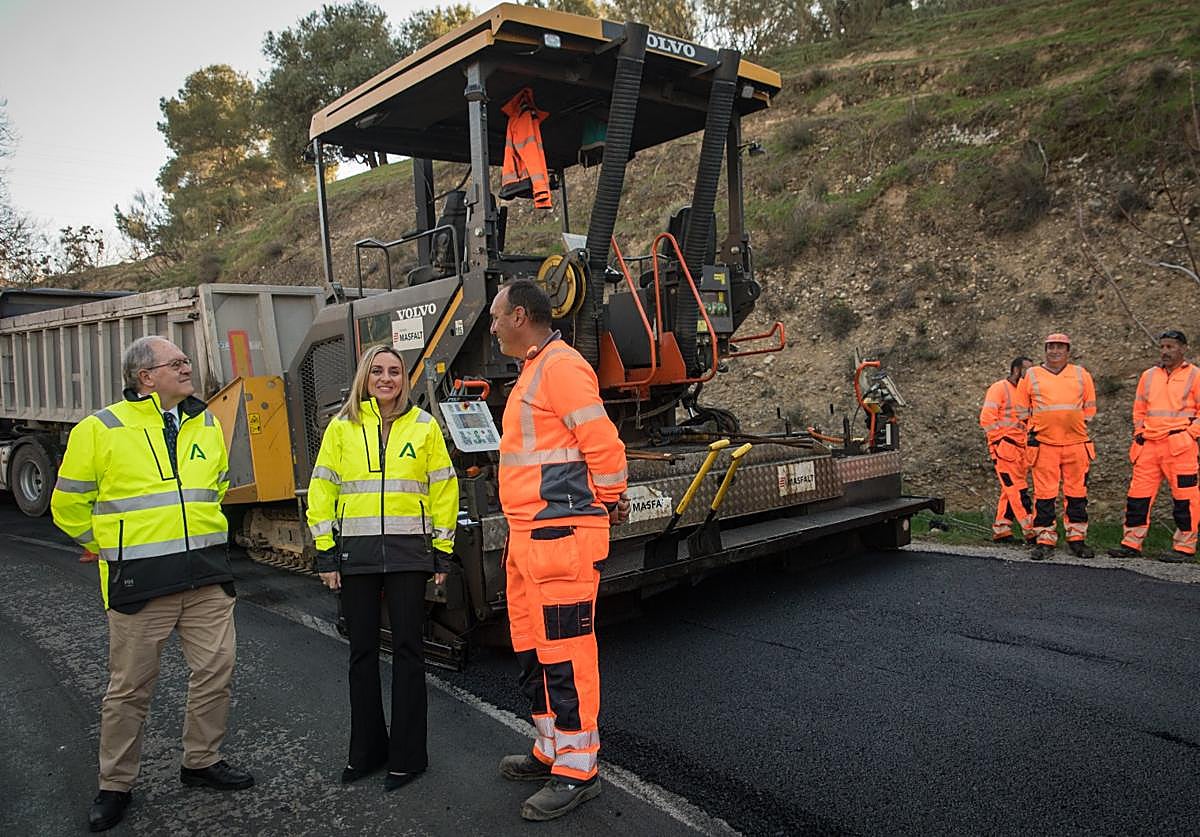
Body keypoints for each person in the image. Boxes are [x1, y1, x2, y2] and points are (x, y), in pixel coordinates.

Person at [50, 336, 253, 833]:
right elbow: (67, 505)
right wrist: (110, 548)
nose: (187, 368)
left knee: (216, 671)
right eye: (177, 362)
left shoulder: (205, 421)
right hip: (139, 584)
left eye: (186, 361)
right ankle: (115, 784)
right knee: (129, 689)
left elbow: (217, 486)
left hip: (206, 578)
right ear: (146, 377)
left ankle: (201, 760)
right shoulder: (100, 429)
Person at [489, 279, 629, 821]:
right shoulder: (536, 368)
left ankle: (578, 769)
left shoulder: (561, 368)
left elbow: (604, 445)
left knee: (567, 655)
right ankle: (551, 748)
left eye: (497, 316)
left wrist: (609, 499)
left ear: (520, 316)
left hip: (560, 538)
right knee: (533, 648)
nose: (492, 325)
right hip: (530, 538)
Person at [306, 345, 458, 791]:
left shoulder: (424, 426)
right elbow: (322, 490)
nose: (386, 378)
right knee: (362, 654)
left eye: (394, 371)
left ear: (404, 380)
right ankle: (367, 753)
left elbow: (443, 489)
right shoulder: (341, 428)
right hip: (357, 555)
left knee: (409, 652)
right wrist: (326, 552)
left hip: (409, 554)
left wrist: (443, 550)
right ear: (365, 377)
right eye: (377, 371)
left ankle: (408, 758)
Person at [1108, 330, 1200, 563]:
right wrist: (1139, 432)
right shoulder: (1148, 376)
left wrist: (1190, 434)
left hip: (1179, 446)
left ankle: (1185, 547)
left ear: (1183, 349)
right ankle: (1131, 543)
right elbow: (1139, 409)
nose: (1165, 351)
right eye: (1162, 347)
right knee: (1137, 496)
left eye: (1170, 347)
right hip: (1148, 445)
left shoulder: (1195, 375)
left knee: (1185, 498)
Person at [1014, 333, 1098, 561]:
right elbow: (1021, 409)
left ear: (1068, 351)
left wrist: (1074, 424)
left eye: (1060, 347)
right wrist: (1036, 427)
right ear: (1045, 350)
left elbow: (1090, 408)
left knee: (1077, 493)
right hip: (1044, 444)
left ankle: (1077, 539)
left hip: (1076, 443)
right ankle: (1044, 539)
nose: (1055, 351)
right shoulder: (1032, 375)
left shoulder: (1081, 374)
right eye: (1051, 347)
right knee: (1044, 495)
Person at [980, 356, 1036, 543]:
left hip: (1020, 448)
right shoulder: (999, 388)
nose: (1030, 374)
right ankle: (1031, 530)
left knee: (1009, 489)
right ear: (1016, 370)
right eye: (1027, 370)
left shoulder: (1024, 393)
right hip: (1005, 448)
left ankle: (1002, 528)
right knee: (1018, 490)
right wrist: (999, 441)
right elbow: (987, 419)